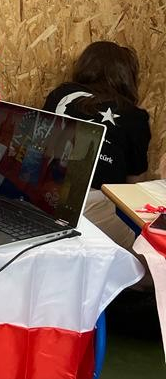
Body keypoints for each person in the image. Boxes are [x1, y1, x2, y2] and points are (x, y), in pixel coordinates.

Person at [43, 41, 151, 251]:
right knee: (147, 251)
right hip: (93, 204)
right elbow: (133, 186)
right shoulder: (134, 116)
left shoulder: (61, 94)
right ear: (127, 76)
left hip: (43, 193)